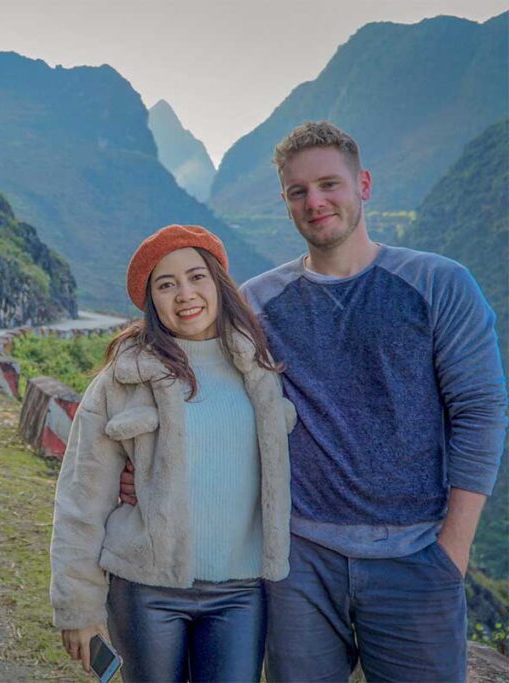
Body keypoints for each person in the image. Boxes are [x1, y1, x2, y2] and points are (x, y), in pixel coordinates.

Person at [119, 121, 507, 682]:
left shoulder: (439, 285)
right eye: (298, 191)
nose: (316, 202)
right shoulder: (257, 305)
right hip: (298, 561)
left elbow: (481, 411)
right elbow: (205, 395)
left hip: (416, 558)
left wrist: (454, 551)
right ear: (285, 201)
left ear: (363, 184)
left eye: (330, 184)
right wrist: (150, 466)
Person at [50, 224, 297, 682]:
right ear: (152, 301)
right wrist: (78, 607)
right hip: (147, 591)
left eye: (196, 276)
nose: (185, 293)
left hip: (241, 593)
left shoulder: (260, 370)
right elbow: (81, 499)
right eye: (166, 284)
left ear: (219, 283)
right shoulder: (123, 380)